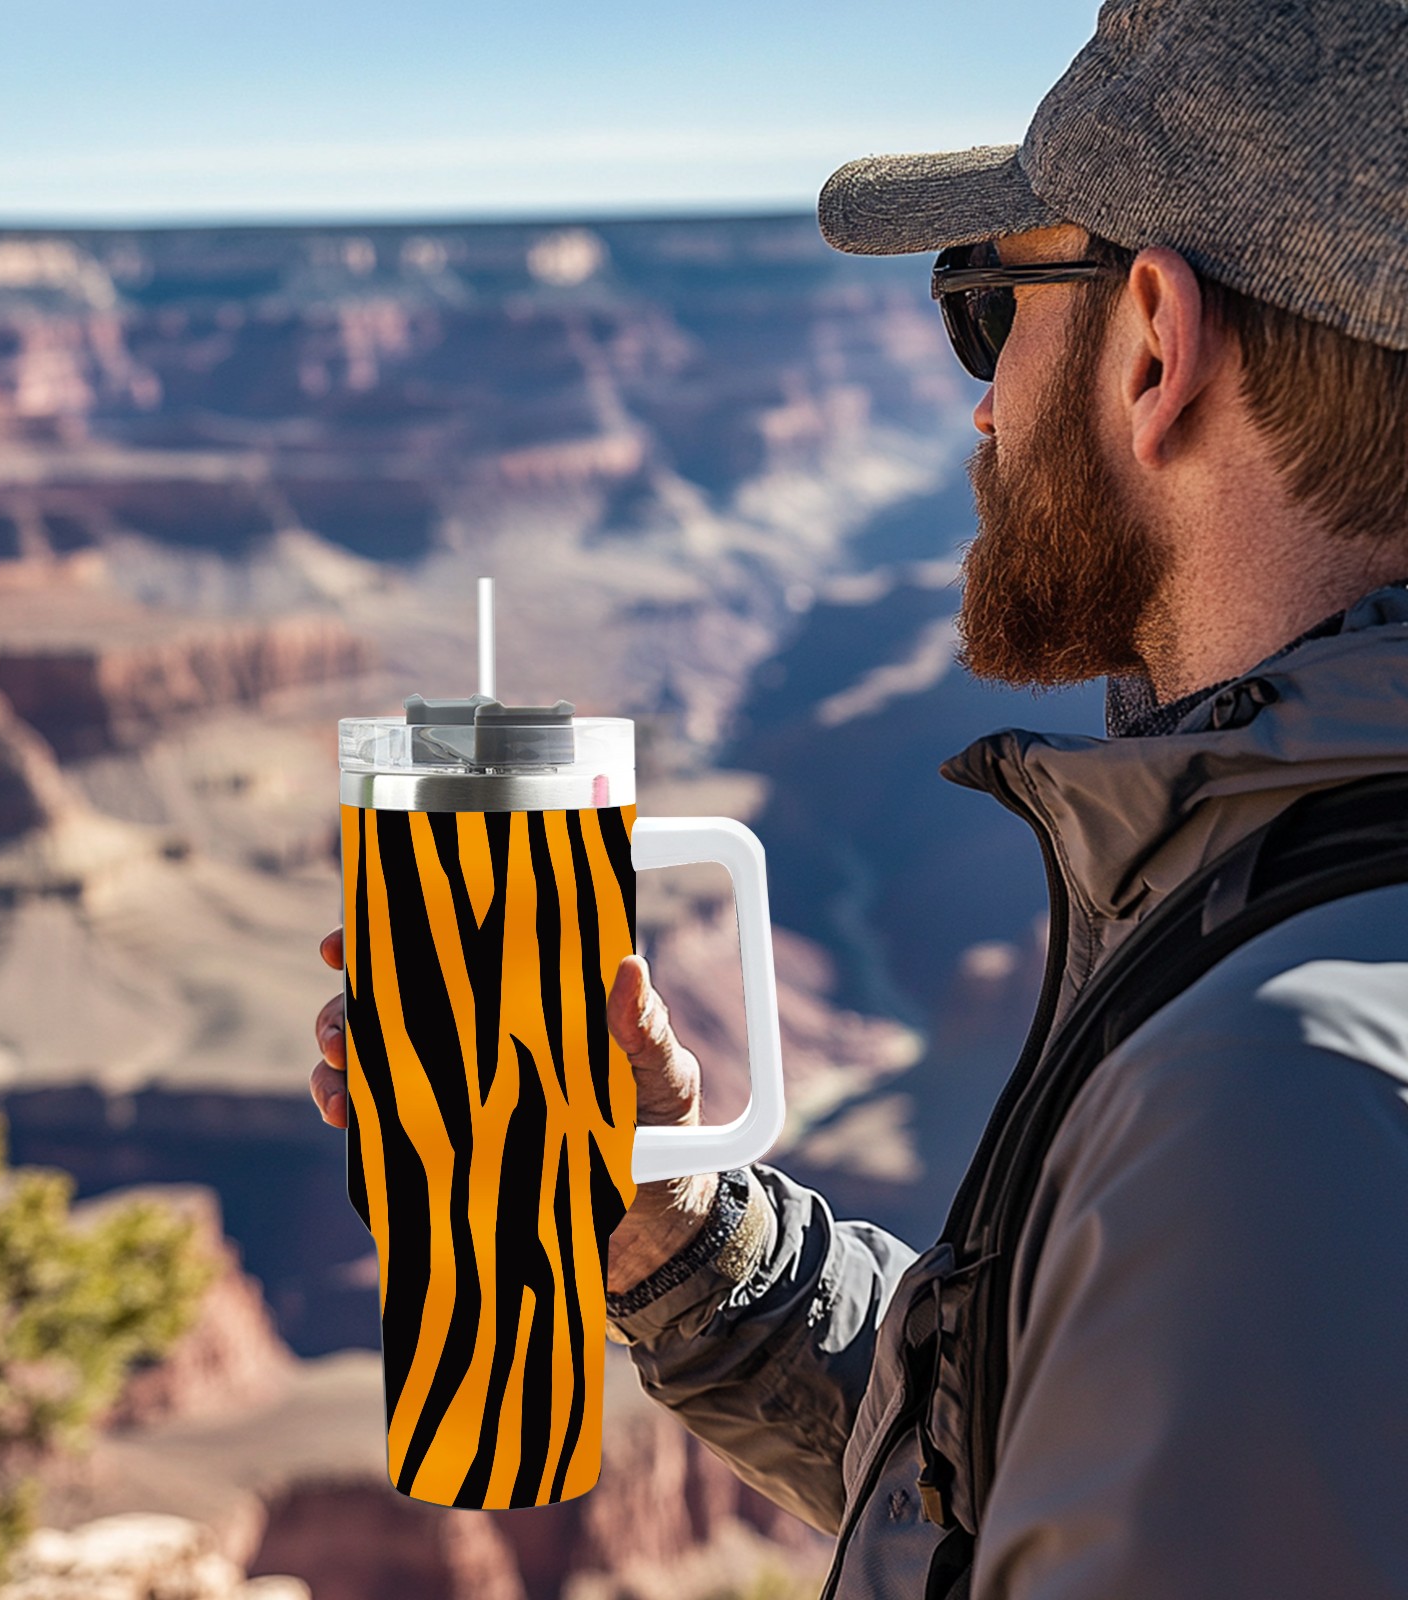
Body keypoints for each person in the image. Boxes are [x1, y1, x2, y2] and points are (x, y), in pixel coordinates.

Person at [312, 0, 1408, 1591]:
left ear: (1154, 344)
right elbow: (1045, 1470)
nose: (981, 402)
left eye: (989, 305)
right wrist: (668, 1225)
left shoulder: (1268, 1103)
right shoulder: (1300, 962)